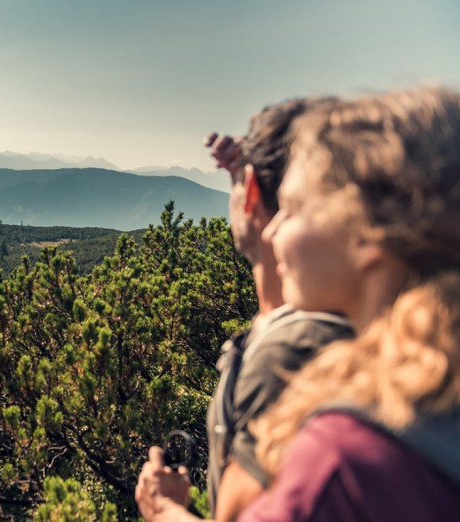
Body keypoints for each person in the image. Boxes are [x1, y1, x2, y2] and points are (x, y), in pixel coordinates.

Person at [136, 86, 460, 521]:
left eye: (290, 208)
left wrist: (161, 511)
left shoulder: (342, 463)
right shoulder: (429, 397)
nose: (271, 231)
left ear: (366, 234)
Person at [203, 99, 352, 521]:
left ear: (251, 193)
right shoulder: (337, 324)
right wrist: (243, 176)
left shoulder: (287, 356)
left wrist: (163, 509)